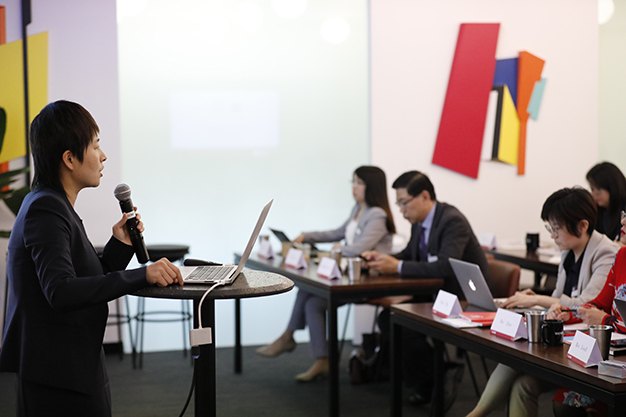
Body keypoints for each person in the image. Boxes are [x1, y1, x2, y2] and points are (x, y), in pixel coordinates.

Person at [0, 100, 183, 417]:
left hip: (70, 367)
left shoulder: (53, 204)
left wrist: (120, 244)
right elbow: (61, 291)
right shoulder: (46, 208)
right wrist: (143, 275)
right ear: (69, 158)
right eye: (96, 146)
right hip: (58, 377)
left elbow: (84, 280)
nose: (103, 156)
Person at [466, 187, 619, 417]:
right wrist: (538, 301)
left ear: (582, 226)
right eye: (550, 229)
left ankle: (476, 414)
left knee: (518, 360)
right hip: (563, 339)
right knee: (522, 382)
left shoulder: (606, 252)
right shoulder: (568, 251)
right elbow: (558, 297)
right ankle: (477, 413)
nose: (553, 236)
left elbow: (586, 305)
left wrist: (538, 298)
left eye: (556, 229)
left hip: (587, 349)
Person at [256, 165, 396, 382]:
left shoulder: (377, 215)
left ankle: (289, 338)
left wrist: (331, 251)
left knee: (309, 294)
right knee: (311, 299)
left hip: (368, 281)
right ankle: (320, 358)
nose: (354, 187)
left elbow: (359, 248)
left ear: (372, 186)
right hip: (350, 277)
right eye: (353, 182)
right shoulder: (358, 210)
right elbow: (338, 233)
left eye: (359, 183)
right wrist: (308, 236)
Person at [362, 171, 488, 406]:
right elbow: (410, 254)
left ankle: (434, 377)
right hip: (434, 294)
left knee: (405, 324)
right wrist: (384, 259)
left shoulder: (452, 221)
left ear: (424, 196)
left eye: (404, 203)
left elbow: (445, 266)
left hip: (461, 298)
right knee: (390, 318)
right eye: (399, 204)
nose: (401, 210)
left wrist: (397, 266)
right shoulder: (419, 223)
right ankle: (427, 376)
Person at [549, 210, 626, 417]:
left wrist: (605, 319)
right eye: (623, 214)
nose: (623, 222)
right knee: (563, 402)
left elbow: (604, 316)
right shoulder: (622, 256)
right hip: (612, 358)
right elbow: (599, 303)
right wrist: (571, 313)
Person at [586, 161, 626, 241]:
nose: (593, 194)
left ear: (611, 187)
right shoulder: (599, 210)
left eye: (596, 189)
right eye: (592, 189)